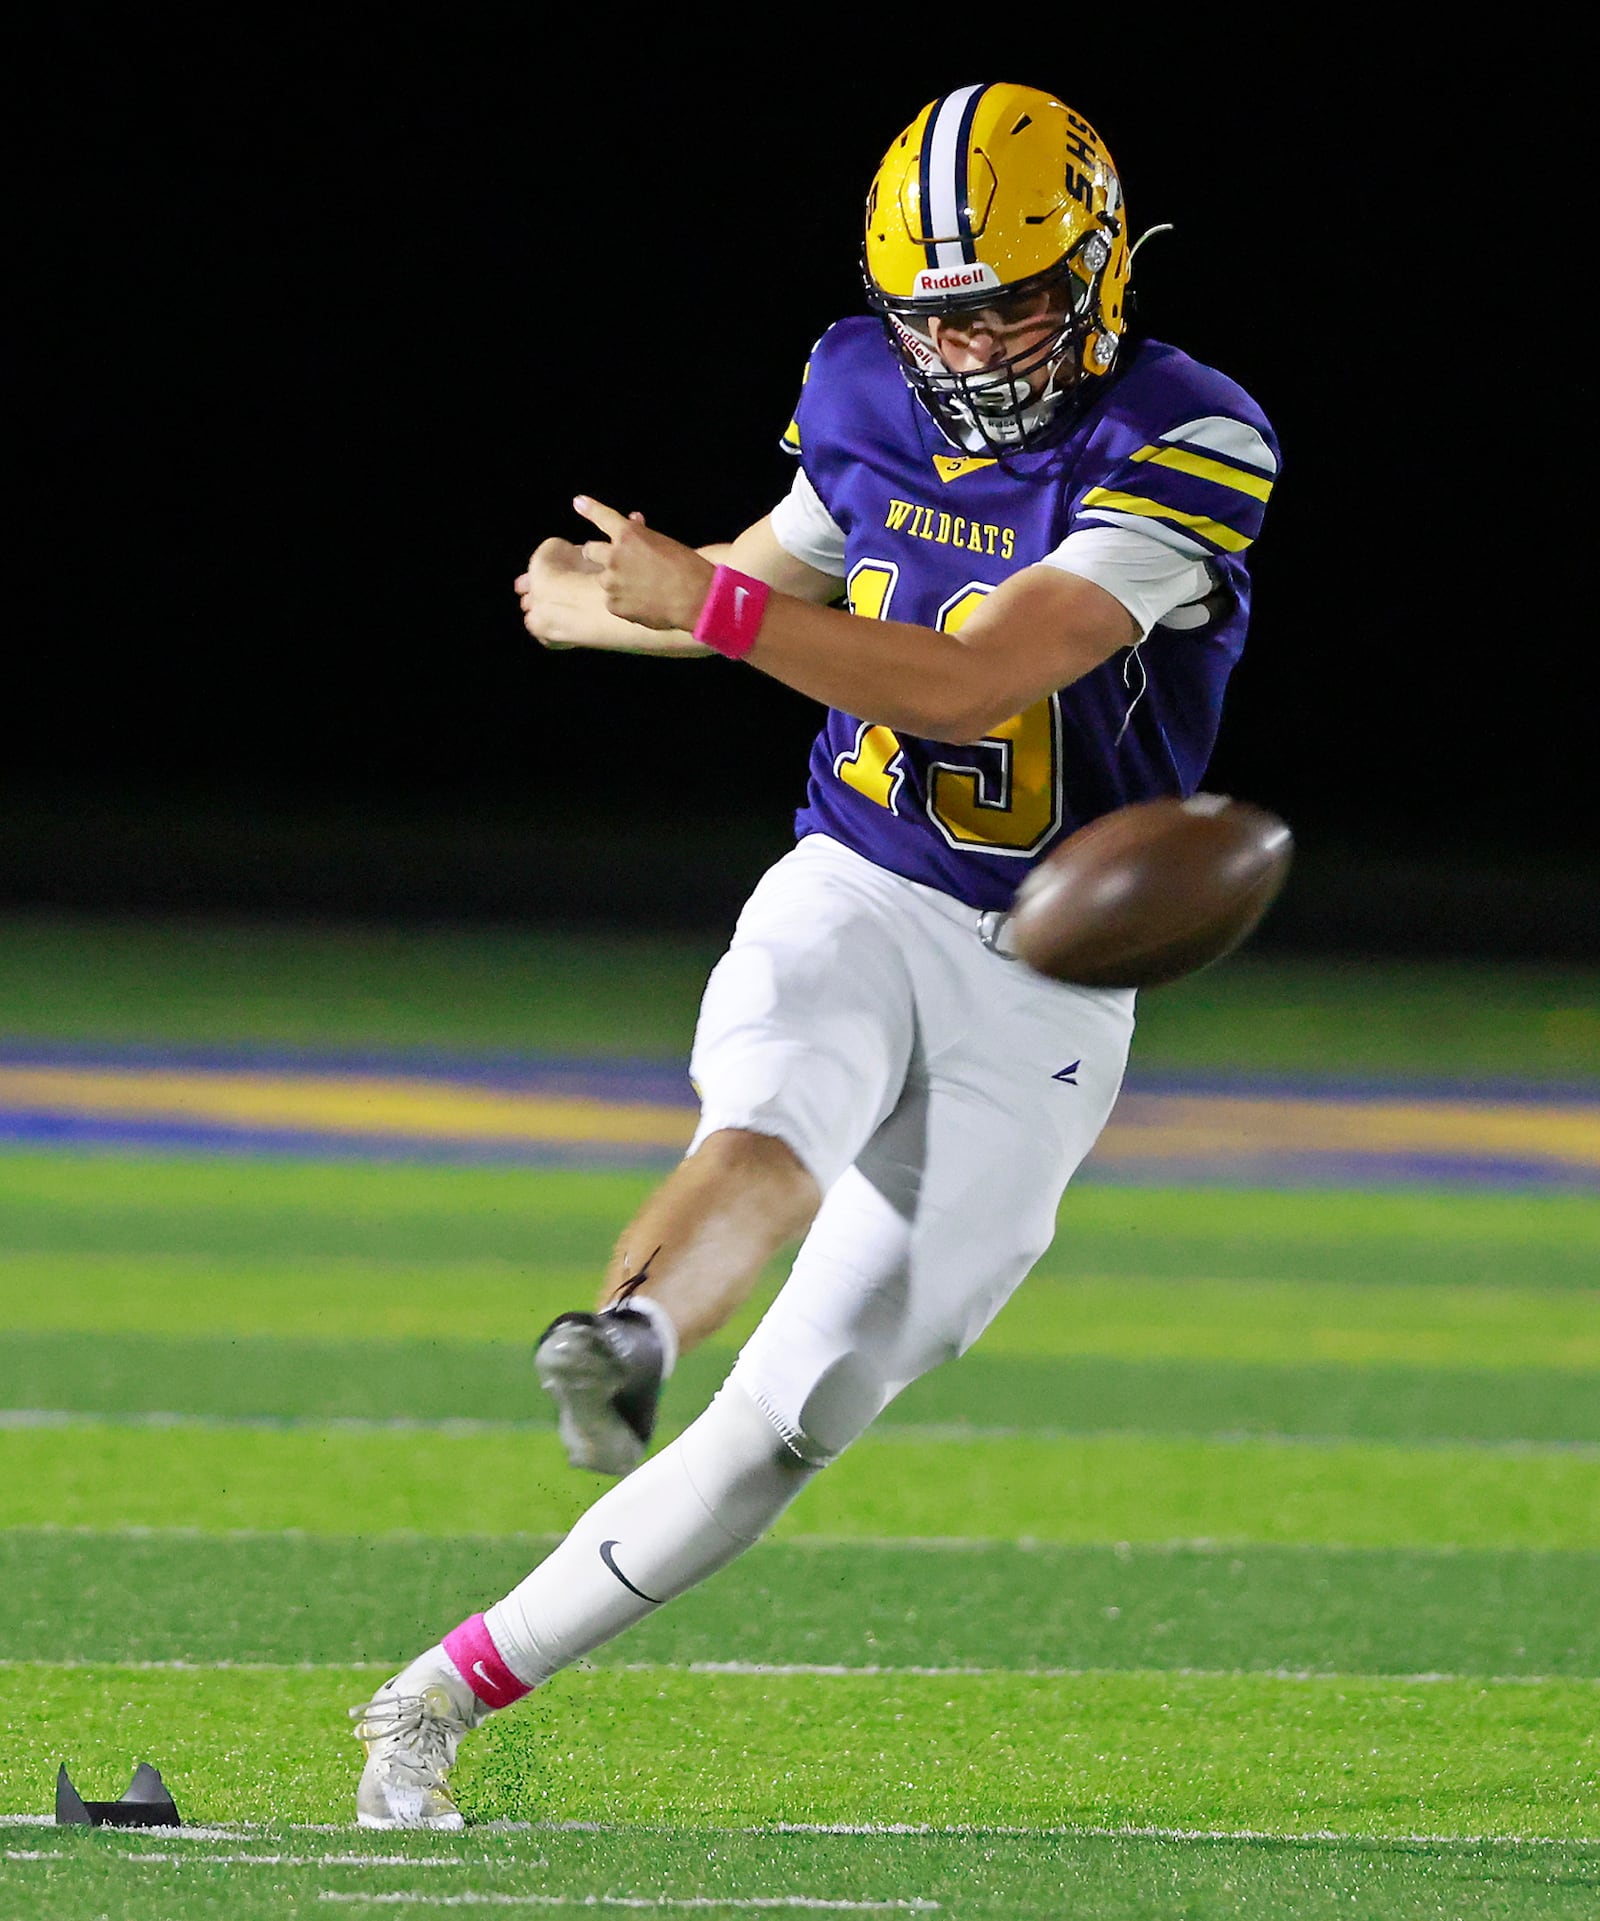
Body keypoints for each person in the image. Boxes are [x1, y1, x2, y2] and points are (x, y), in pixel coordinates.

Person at [352, 80, 1279, 1828]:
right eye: (944, 308)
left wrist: (699, 606)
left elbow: (973, 676)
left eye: (1013, 295)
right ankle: (625, 1332)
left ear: (1098, 267)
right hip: (859, 874)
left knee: (802, 1412)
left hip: (1052, 975)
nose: (981, 339)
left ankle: (437, 1691)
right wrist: (623, 598)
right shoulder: (855, 379)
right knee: (770, 1122)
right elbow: (788, 570)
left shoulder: (1189, 432)